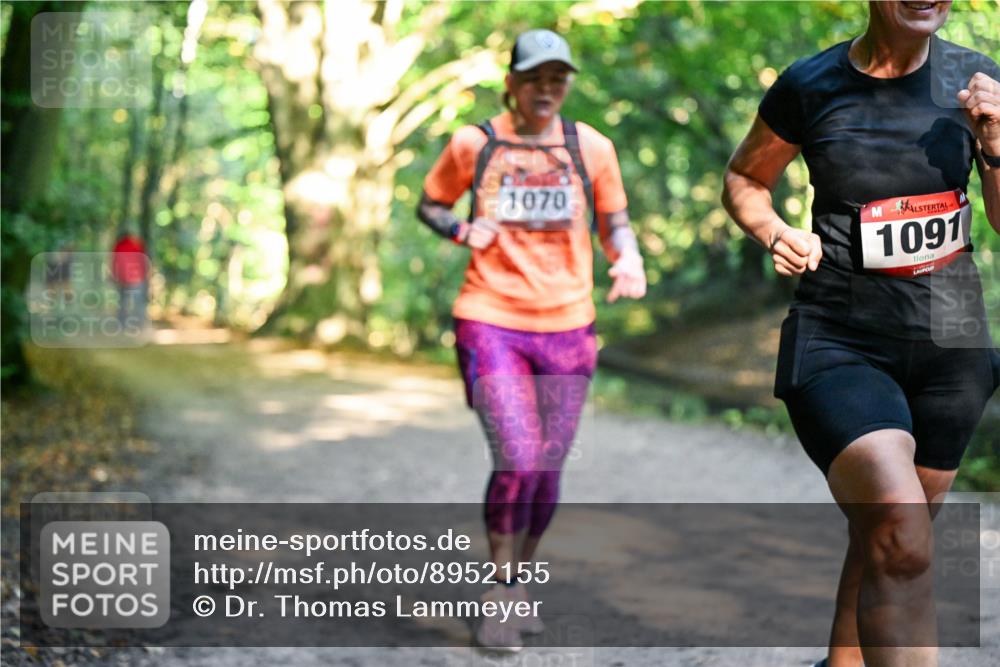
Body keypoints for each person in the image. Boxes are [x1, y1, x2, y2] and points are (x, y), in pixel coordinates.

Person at [722, 3, 1000, 667]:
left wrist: (994, 141)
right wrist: (774, 231)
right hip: (842, 331)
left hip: (952, 336)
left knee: (890, 534)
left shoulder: (978, 80)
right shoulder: (811, 85)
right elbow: (745, 177)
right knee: (900, 531)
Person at [417, 29, 646, 651]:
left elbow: (616, 222)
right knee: (517, 455)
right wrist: (465, 231)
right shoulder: (475, 143)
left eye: (558, 78)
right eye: (535, 78)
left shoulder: (590, 147)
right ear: (512, 83)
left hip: (569, 326)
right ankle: (499, 588)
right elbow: (430, 204)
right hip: (489, 316)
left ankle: (518, 584)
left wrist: (628, 258)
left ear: (566, 84)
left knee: (546, 469)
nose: (547, 89)